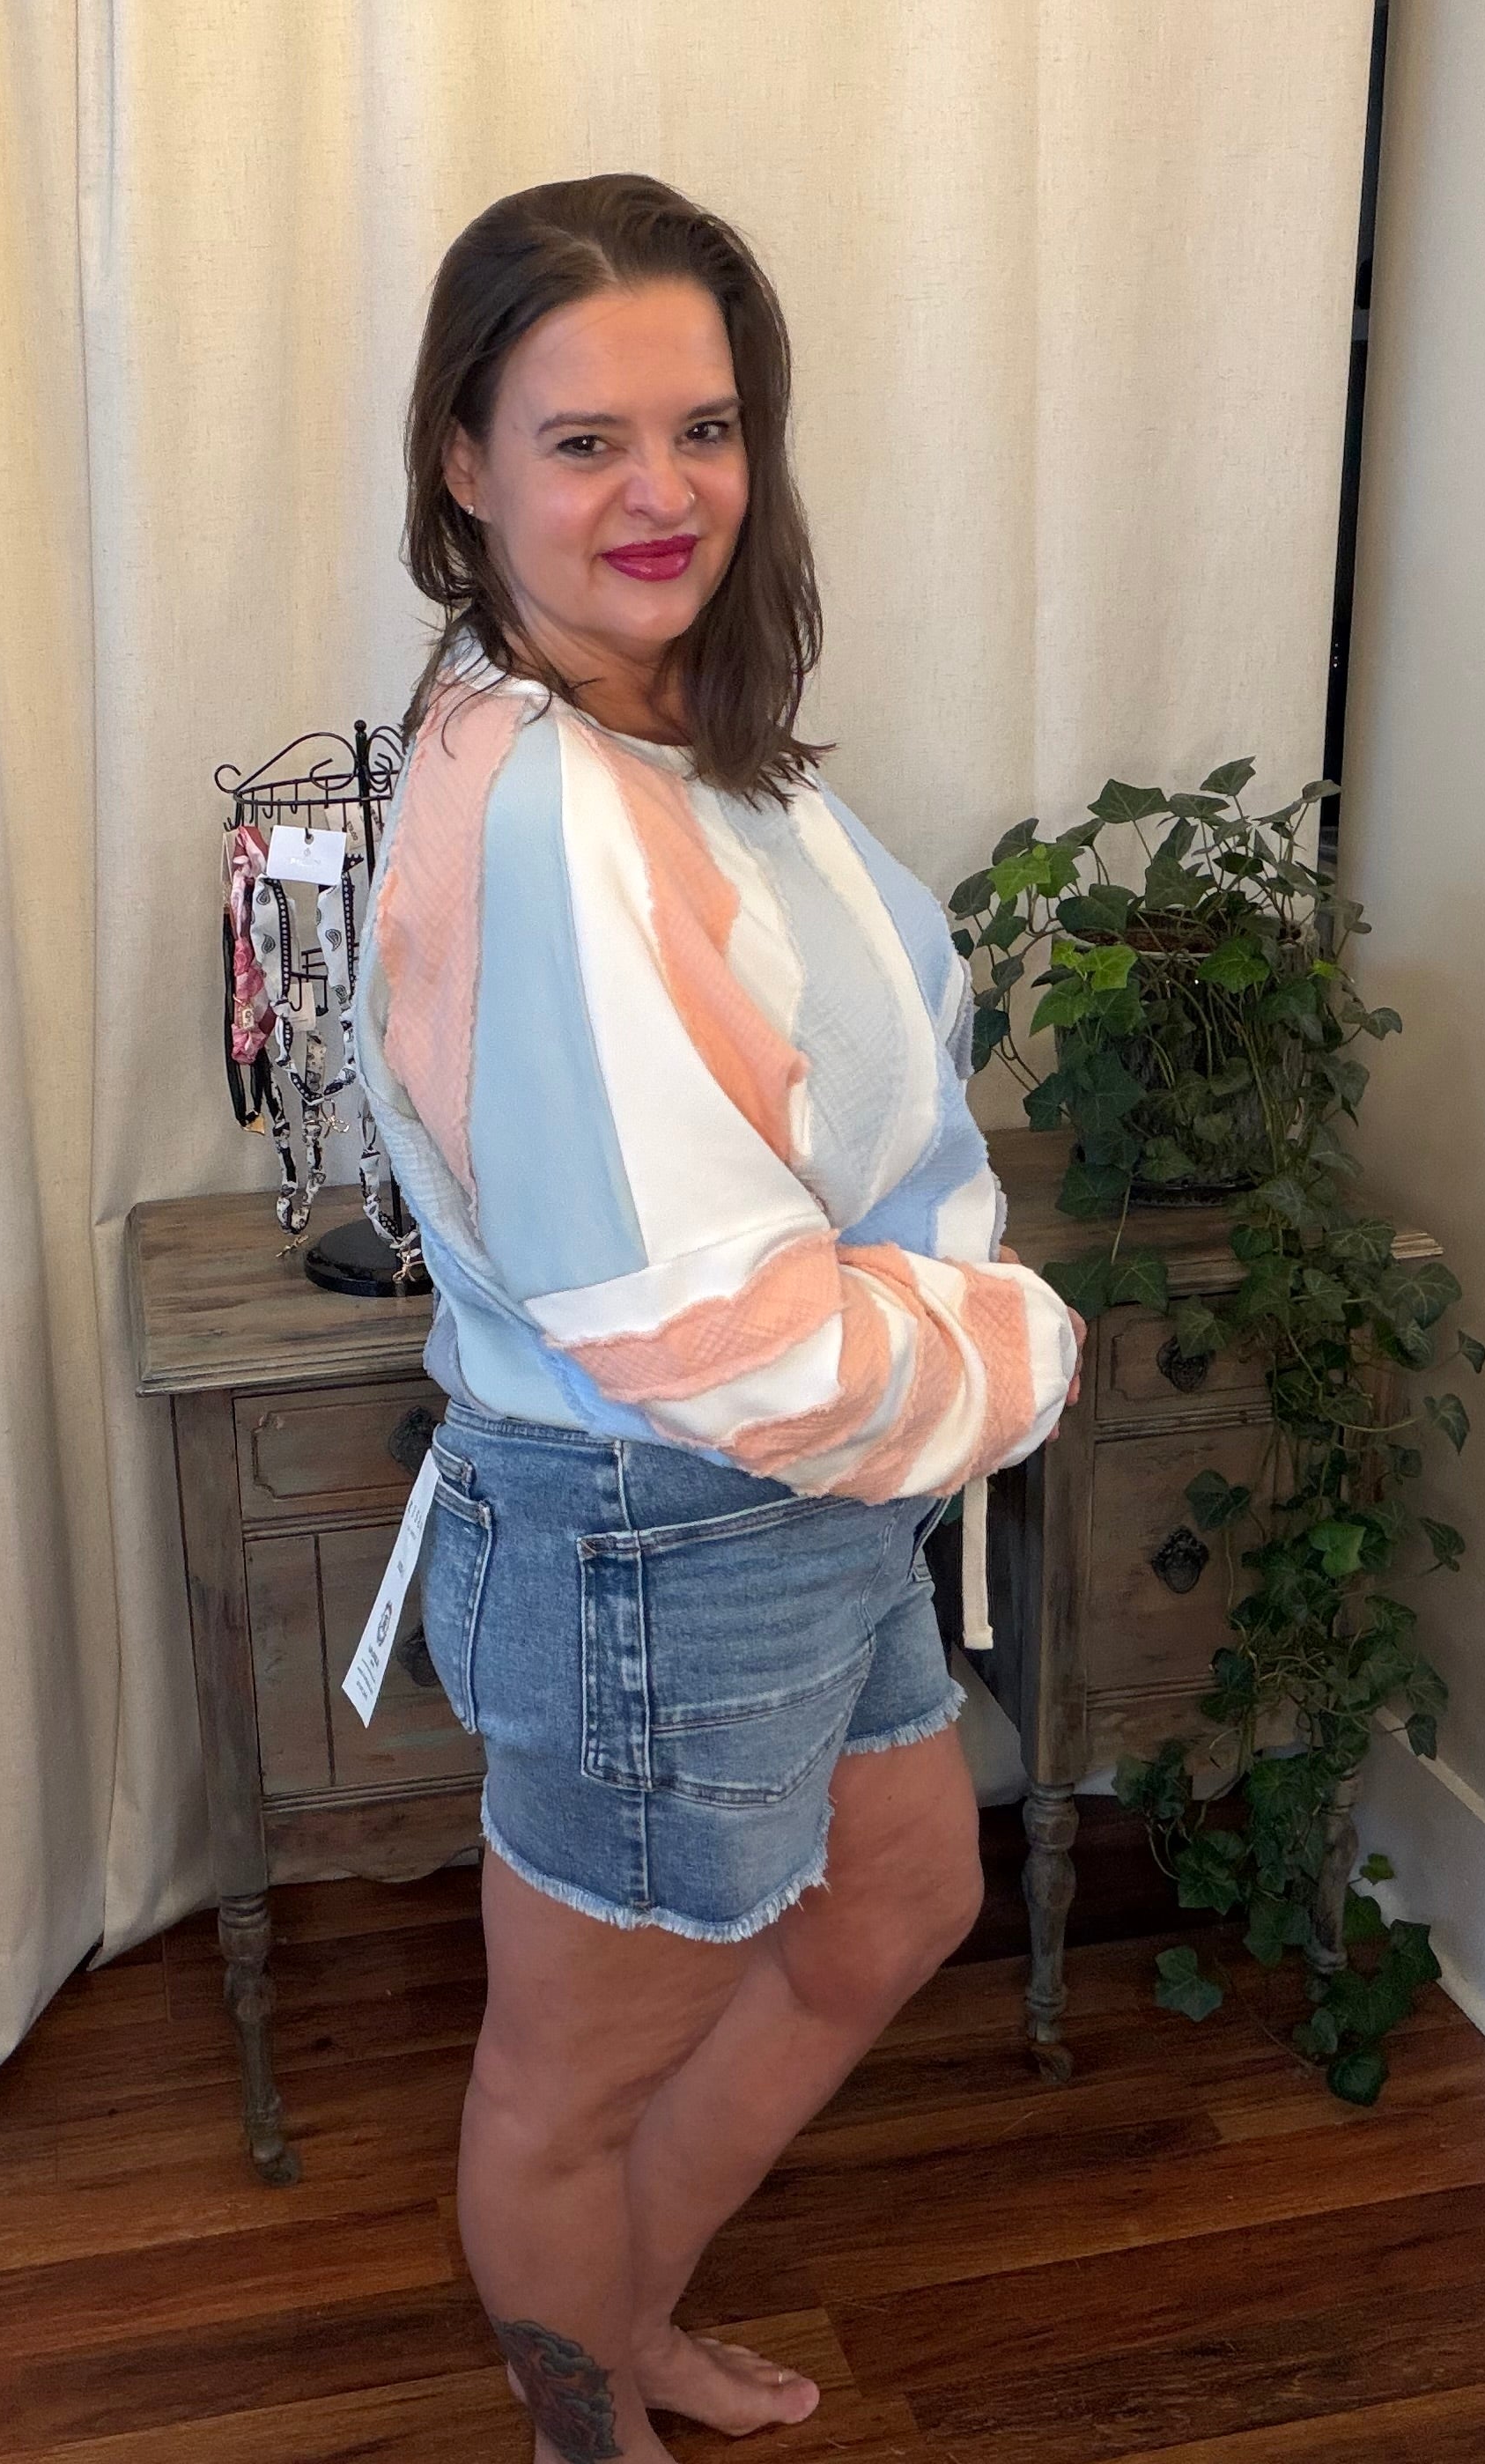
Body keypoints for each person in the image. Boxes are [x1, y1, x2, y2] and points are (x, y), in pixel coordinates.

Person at [353, 173, 1084, 2464]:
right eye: (581, 440)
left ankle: (629, 2316)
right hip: (668, 1523)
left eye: (702, 425)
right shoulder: (563, 806)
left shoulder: (639, 728)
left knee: (892, 1898)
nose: (657, 489)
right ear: (464, 467)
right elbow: (715, 1336)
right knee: (566, 2082)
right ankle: (587, 2421)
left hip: (784, 1518)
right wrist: (1013, 1352)